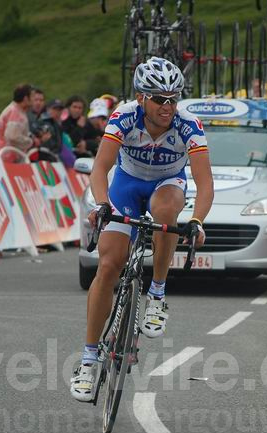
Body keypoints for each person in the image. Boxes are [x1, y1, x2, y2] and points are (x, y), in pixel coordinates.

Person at [70, 57, 214, 402]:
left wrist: (197, 220)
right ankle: (89, 361)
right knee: (108, 265)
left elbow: (205, 182)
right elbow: (101, 168)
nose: (168, 106)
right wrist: (103, 204)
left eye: (173, 98)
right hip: (126, 185)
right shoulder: (123, 117)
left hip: (167, 184)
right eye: (159, 99)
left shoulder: (189, 125)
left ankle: (158, 294)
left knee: (167, 211)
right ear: (141, 97)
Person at [0, 84, 34, 161]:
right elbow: (12, 136)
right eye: (32, 96)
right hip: (8, 158)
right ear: (25, 98)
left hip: (6, 155)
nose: (33, 99)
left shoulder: (16, 110)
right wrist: (30, 141)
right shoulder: (16, 112)